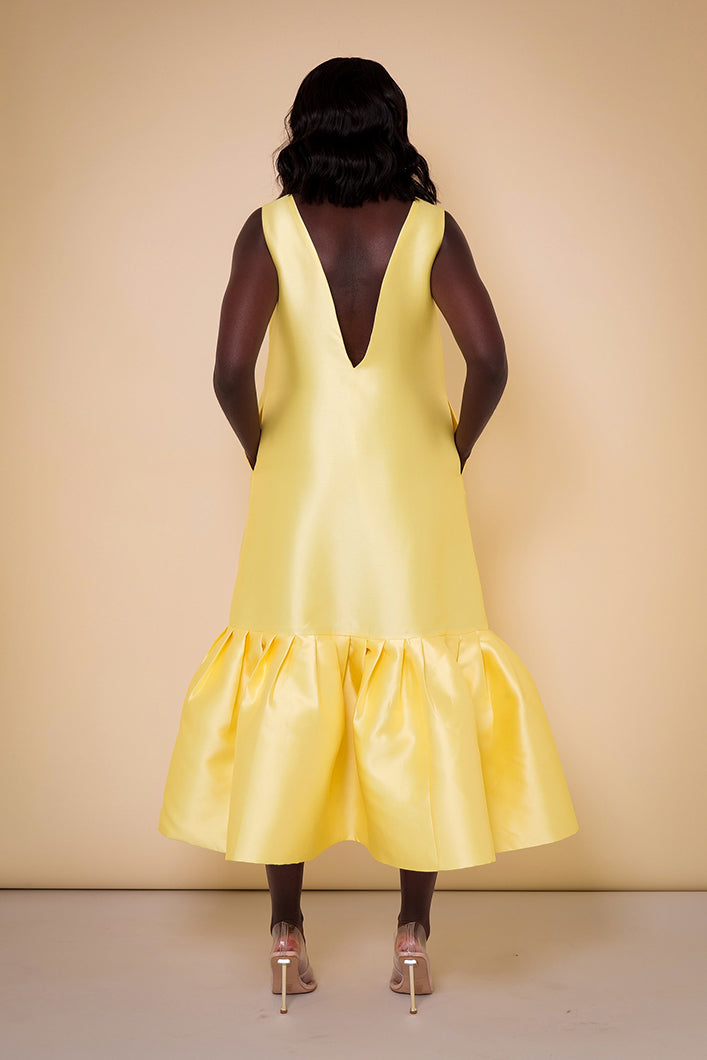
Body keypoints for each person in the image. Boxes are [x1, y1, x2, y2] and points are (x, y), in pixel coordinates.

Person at [158, 56, 579, 1013]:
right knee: (418, 687)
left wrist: (269, 456)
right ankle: (412, 941)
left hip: (297, 493)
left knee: (285, 695)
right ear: (390, 126)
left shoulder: (266, 231)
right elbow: (489, 360)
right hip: (409, 491)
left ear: (304, 129)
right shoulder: (429, 228)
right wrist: (451, 450)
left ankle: (283, 937)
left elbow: (228, 372)